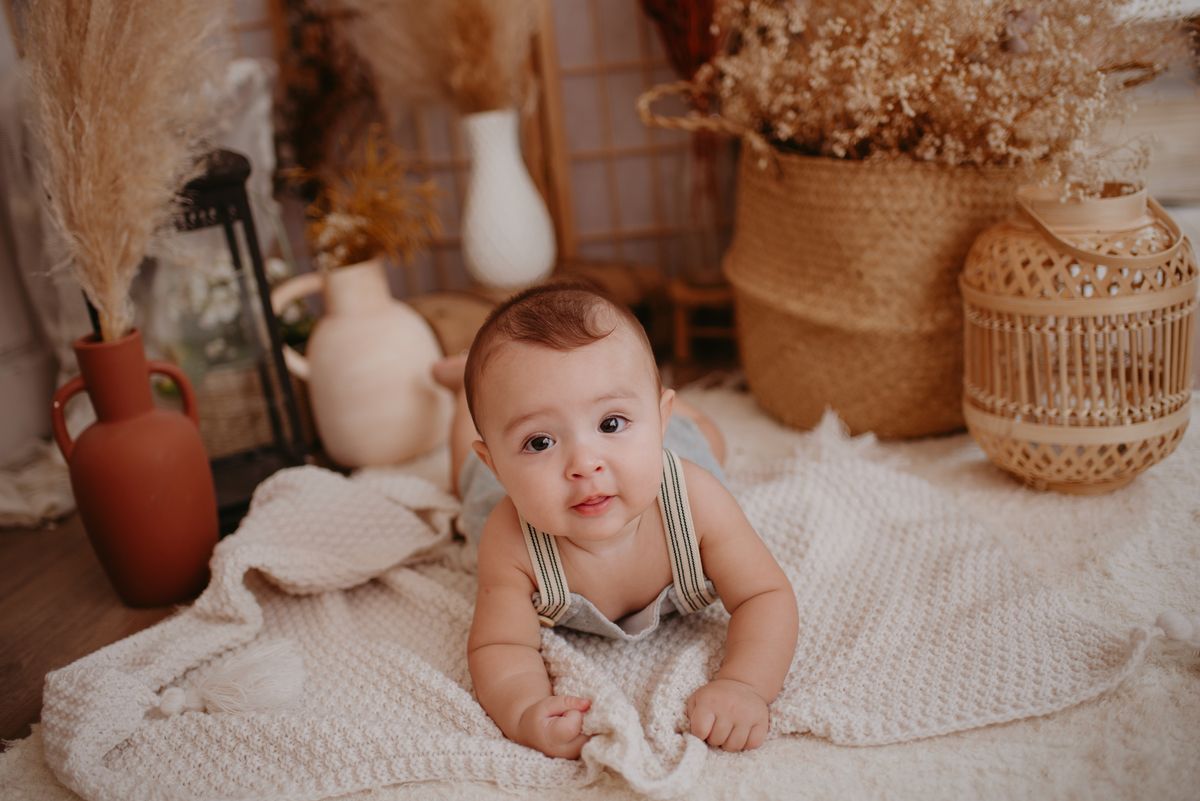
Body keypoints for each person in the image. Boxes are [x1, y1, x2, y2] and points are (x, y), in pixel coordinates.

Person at [432, 283, 798, 759]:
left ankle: (672, 409)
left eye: (610, 423)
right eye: (539, 442)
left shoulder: (696, 500)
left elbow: (765, 595)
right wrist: (525, 710)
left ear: (656, 419)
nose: (584, 463)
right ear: (498, 464)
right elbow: (499, 645)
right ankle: (465, 392)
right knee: (462, 476)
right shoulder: (510, 539)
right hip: (522, 488)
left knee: (708, 440)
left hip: (665, 457)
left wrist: (745, 684)